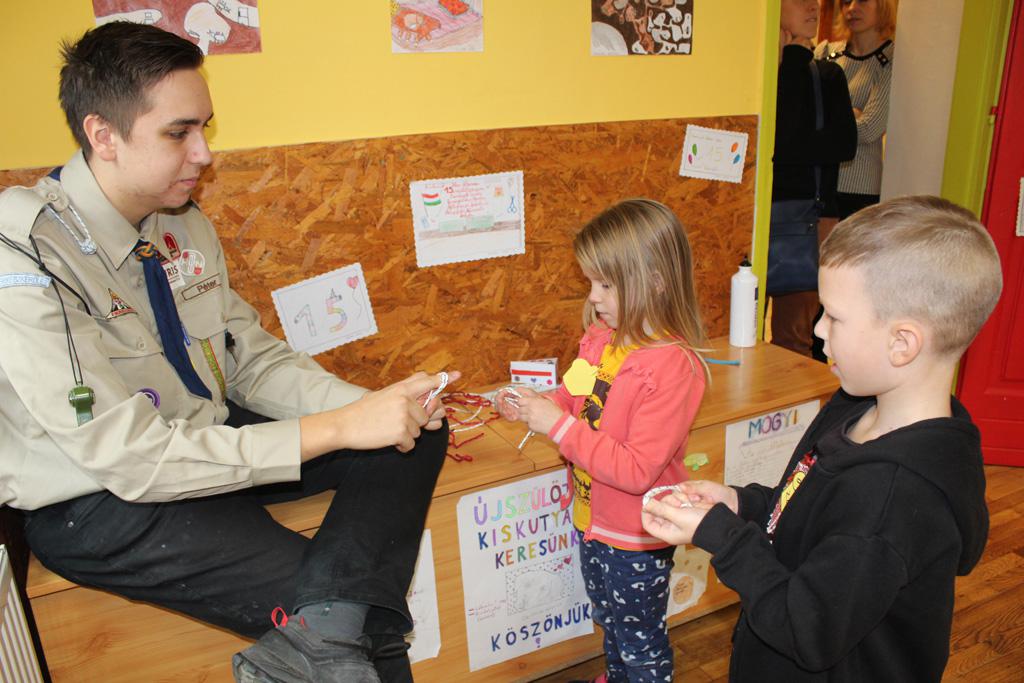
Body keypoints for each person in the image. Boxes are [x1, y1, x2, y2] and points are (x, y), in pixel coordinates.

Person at [0, 22, 457, 683]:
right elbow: (129, 457)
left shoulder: (179, 221)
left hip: (201, 439)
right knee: (366, 624)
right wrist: (337, 428)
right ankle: (333, 627)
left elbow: (248, 360)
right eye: (178, 132)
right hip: (104, 499)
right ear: (103, 135)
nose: (204, 153)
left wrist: (373, 408)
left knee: (414, 434)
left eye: (205, 128)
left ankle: (325, 627)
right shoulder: (26, 248)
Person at [641, 195, 1002, 682]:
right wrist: (741, 505)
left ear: (902, 343)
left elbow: (805, 628)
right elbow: (808, 509)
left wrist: (723, 537)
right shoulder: (855, 408)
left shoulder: (892, 499)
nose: (818, 329)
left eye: (833, 316)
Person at [495, 198, 708, 683]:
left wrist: (556, 425)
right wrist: (535, 404)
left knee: (640, 643)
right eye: (592, 282)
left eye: (606, 284)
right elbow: (576, 398)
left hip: (637, 537)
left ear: (655, 280)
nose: (593, 297)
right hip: (592, 521)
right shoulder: (601, 338)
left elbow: (636, 469)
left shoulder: (673, 367)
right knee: (610, 623)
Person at [769, 0, 857, 358]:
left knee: (794, 339)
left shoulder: (826, 74)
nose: (813, 7)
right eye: (799, 0)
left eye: (815, 1)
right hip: (756, 218)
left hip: (811, 219)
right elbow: (781, 142)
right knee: (736, 329)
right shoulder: (760, 73)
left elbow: (842, 145)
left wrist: (793, 57)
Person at [816, 0, 897, 220]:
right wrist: (851, 113)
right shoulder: (825, 53)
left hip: (860, 191)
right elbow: (805, 114)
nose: (851, 8)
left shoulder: (891, 59)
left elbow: (869, 129)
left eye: (862, 0)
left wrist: (827, 115)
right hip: (818, 182)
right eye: (845, 2)